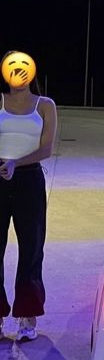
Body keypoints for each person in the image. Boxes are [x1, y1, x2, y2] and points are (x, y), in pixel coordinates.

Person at [0, 52, 57, 340]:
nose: (18, 72)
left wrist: (15, 163)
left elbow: (46, 149)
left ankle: (27, 319)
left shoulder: (45, 105)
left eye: (23, 67)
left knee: (32, 250)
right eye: (12, 67)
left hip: (29, 181)